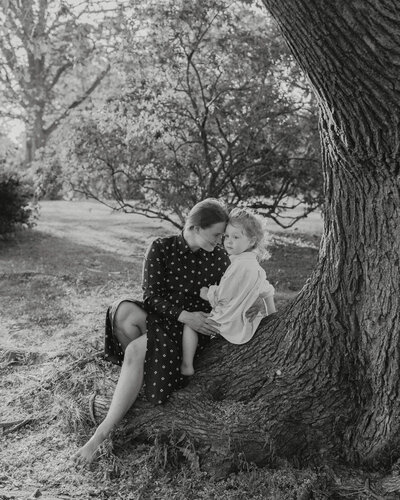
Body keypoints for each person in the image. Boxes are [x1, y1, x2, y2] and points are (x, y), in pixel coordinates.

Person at [72, 198, 265, 465]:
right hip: (166, 315)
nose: (221, 240)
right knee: (123, 312)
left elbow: (235, 291)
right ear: (196, 227)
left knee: (135, 349)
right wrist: (182, 314)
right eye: (216, 234)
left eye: (223, 236)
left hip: (191, 329)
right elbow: (150, 297)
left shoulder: (220, 258)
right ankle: (140, 373)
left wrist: (253, 306)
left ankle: (100, 433)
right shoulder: (162, 248)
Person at [180, 208, 276, 376]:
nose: (228, 242)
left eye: (236, 237)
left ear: (252, 240)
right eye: (226, 237)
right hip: (244, 318)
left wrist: (207, 293)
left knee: (190, 325)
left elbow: (224, 295)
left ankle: (187, 364)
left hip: (229, 320)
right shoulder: (256, 267)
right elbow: (267, 291)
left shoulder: (237, 266)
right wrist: (271, 314)